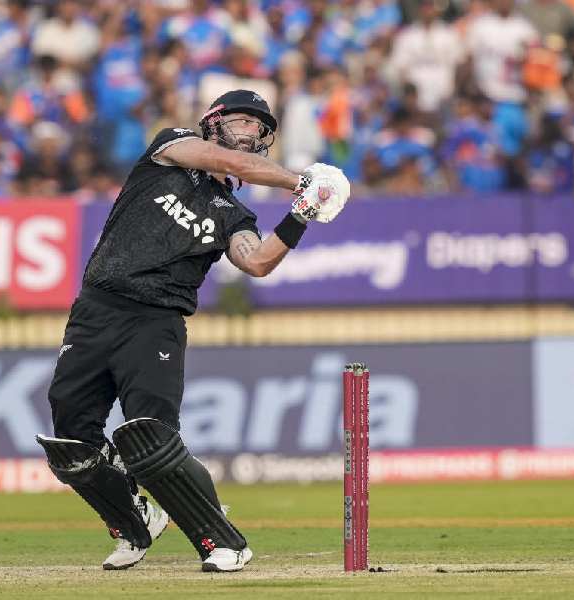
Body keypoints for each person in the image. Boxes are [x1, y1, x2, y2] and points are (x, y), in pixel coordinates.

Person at [36, 89, 348, 573]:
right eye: (242, 120)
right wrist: (302, 180)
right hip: (95, 310)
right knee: (71, 442)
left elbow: (257, 262)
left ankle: (224, 543)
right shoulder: (171, 148)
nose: (251, 131)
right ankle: (133, 520)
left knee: (150, 439)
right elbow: (224, 161)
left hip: (156, 322)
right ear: (214, 121)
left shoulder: (233, 213)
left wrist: (302, 213)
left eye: (259, 127)